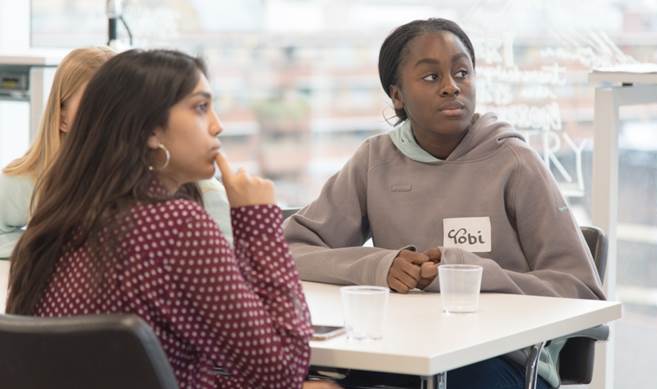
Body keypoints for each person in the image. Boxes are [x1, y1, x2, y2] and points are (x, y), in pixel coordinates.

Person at [283, 18, 605, 389]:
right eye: (432, 77)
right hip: (400, 350)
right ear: (397, 95)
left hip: (505, 360)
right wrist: (380, 265)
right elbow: (289, 249)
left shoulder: (514, 162)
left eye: (462, 73)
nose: (452, 87)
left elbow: (581, 289)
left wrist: (464, 273)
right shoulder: (375, 160)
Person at [6, 49, 312, 388]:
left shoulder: (59, 217)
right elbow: (282, 372)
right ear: (150, 130)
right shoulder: (175, 225)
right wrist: (258, 224)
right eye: (200, 107)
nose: (217, 124)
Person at [0, 47, 232, 259]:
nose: (115, 120)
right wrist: (45, 248)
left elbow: (227, 266)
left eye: (124, 108)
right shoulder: (34, 177)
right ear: (62, 120)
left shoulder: (196, 188)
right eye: (95, 107)